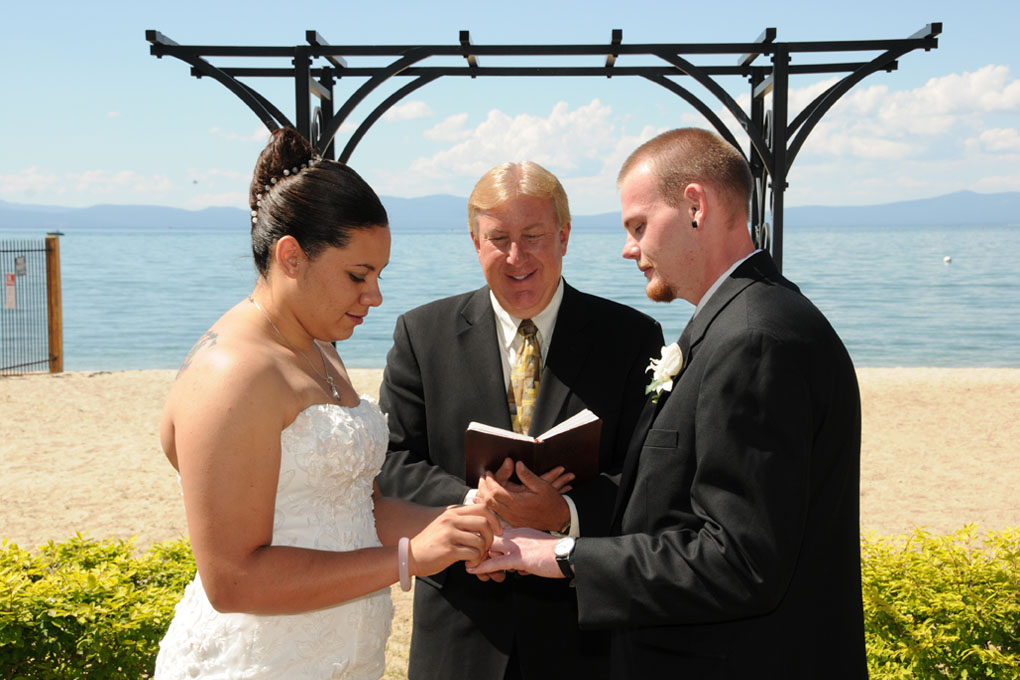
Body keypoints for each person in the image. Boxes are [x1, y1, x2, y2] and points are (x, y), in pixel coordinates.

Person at [470, 128, 869, 679]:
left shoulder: (753, 340)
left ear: (695, 206)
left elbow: (740, 560)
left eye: (638, 226)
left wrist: (559, 556)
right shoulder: (744, 319)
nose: (628, 248)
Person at [154, 127, 500, 679]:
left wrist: (459, 525)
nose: (375, 296)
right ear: (291, 256)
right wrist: (410, 558)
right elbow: (233, 580)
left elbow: (358, 509)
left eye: (379, 274)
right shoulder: (232, 374)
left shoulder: (319, 348)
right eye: (358, 275)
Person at [375, 161, 663, 680]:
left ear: (564, 236)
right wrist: (474, 506)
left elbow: (650, 477)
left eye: (533, 236)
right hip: (461, 631)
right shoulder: (421, 334)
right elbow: (392, 462)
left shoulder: (631, 337)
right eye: (498, 238)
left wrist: (566, 512)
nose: (516, 256)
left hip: (583, 637)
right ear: (475, 242)